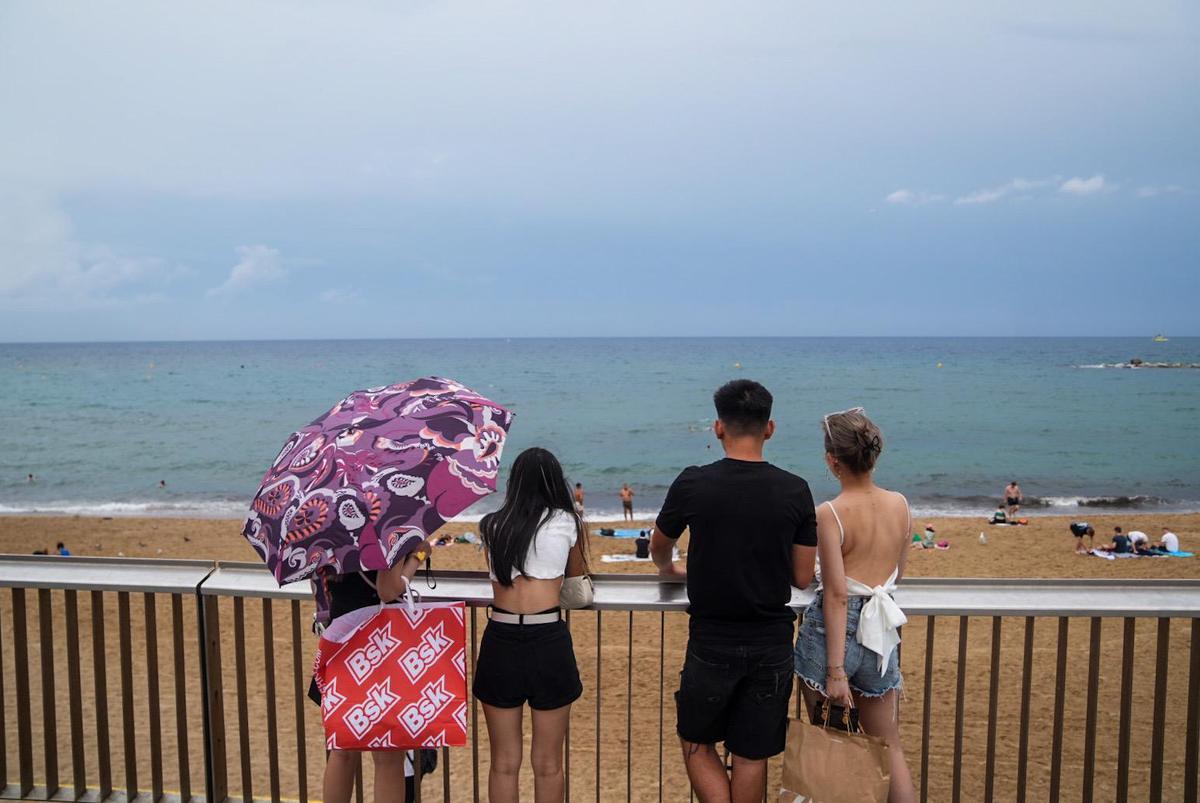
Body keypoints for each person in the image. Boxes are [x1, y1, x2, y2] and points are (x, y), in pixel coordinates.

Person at [651, 379, 817, 803]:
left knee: (695, 741)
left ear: (718, 428)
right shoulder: (795, 489)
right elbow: (802, 577)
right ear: (770, 428)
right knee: (751, 754)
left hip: (711, 638)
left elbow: (659, 545)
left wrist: (671, 569)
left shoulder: (693, 483)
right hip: (771, 640)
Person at [794, 407, 915, 802]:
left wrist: (835, 671)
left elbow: (836, 593)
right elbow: (897, 574)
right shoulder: (900, 504)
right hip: (881, 633)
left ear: (832, 461)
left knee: (836, 747)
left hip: (837, 638)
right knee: (889, 743)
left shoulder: (830, 513)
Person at [474, 447, 590, 803]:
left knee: (504, 763)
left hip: (501, 637)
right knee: (549, 763)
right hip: (548, 637)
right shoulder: (569, 522)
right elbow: (577, 579)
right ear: (555, 482)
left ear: (514, 482)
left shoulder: (491, 524)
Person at [312, 549, 429, 803]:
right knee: (387, 756)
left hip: (340, 641)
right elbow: (388, 589)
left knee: (342, 751)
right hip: (379, 646)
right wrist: (418, 555)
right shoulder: (388, 525)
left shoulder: (331, 533)